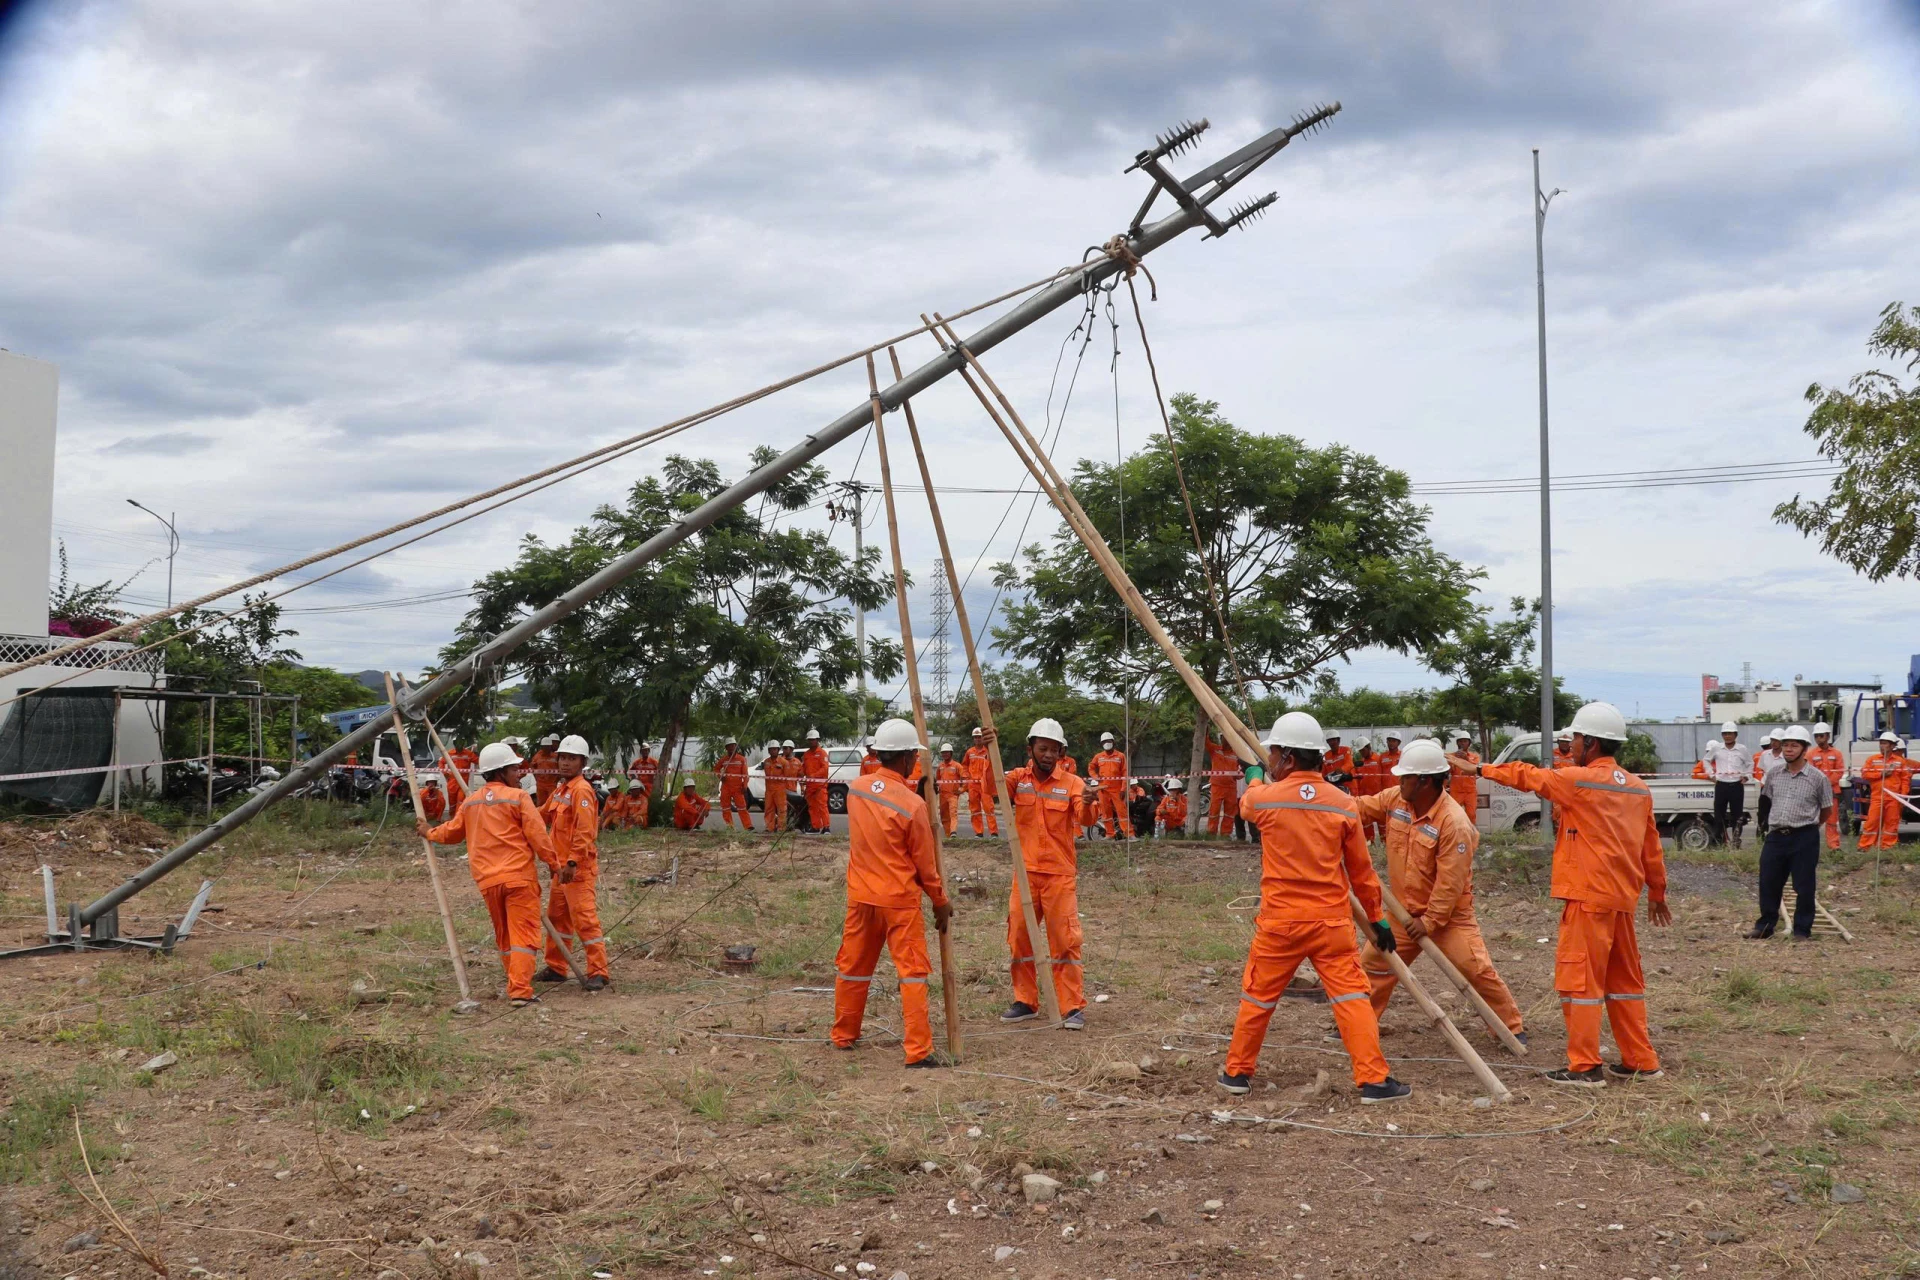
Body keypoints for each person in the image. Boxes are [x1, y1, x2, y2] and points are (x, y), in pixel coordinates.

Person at [1458, 700, 1670, 1086]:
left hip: (1588, 898)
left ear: (1590, 742)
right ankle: (1641, 1060)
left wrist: (1480, 768)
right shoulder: (1638, 789)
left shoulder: (1578, 780)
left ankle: (1585, 1067)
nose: (1570, 744)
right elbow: (1650, 845)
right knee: (1624, 983)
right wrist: (1656, 891)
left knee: (1581, 983)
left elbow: (1527, 776)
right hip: (1622, 900)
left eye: (1574, 738)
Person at [1220, 711, 1409, 1103]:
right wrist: (1378, 920)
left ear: (1288, 757)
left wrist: (1254, 772)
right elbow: (1362, 872)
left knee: (1258, 996)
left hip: (1280, 922)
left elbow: (1247, 802)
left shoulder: (1266, 799)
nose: (1271, 760)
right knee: (1352, 997)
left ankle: (1236, 1074)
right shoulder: (1343, 805)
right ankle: (1374, 1080)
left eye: (1274, 754)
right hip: (1331, 923)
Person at [1355, 739, 1524, 1040]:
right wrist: (1323, 807)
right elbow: (1358, 809)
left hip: (1448, 919)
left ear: (1425, 782)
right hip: (1401, 913)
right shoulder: (1395, 800)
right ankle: (1358, 1026)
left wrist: (1429, 922)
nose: (1399, 781)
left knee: (1475, 969)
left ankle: (1510, 1029)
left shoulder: (1453, 822)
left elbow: (1450, 883)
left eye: (1405, 776)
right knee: (1373, 965)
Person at [832, 718, 953, 1067]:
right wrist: (941, 902)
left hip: (861, 898)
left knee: (853, 968)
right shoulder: (913, 806)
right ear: (905, 758)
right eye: (914, 755)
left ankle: (844, 1035)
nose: (916, 760)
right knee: (912, 974)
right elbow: (925, 866)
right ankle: (918, 1051)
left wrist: (912, 790)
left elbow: (880, 807)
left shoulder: (856, 789)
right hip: (899, 902)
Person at [419, 741, 562, 1008]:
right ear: (501, 772)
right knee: (524, 935)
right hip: (518, 878)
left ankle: (514, 981)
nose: (518, 774)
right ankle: (520, 990)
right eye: (514, 770)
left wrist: (429, 832)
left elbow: (451, 832)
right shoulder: (518, 798)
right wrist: (554, 865)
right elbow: (538, 836)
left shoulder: (471, 802)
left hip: (488, 881)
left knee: (506, 937)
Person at [987, 718, 1087, 1030]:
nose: (1047, 754)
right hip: (1025, 873)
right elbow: (992, 789)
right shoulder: (1018, 779)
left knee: (1065, 941)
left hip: (1059, 875)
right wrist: (991, 751)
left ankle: (1070, 1006)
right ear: (1031, 749)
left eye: (1053, 750)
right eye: (1042, 748)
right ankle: (1025, 1001)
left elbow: (1084, 815)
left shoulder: (1074, 784)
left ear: (1062, 753)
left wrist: (1092, 803)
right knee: (1019, 938)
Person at [1747, 725, 1834, 941]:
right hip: (1776, 836)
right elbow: (1767, 800)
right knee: (1768, 881)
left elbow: (1826, 809)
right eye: (1785, 745)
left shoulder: (1818, 778)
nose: (1788, 749)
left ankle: (1802, 930)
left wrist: (1811, 827)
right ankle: (1765, 926)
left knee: (1804, 885)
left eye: (1794, 745)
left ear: (1805, 749)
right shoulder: (1774, 774)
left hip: (1804, 837)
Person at [537, 735, 610, 990]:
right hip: (560, 870)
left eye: (572, 758)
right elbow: (541, 815)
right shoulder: (560, 789)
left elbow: (585, 832)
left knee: (585, 920)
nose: (566, 763)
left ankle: (598, 972)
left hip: (575, 871)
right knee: (557, 919)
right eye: (563, 758)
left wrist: (572, 862)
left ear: (582, 762)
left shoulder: (581, 791)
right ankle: (557, 967)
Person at [1857, 730, 1912, 852]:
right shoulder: (1873, 759)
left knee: (1891, 824)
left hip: (1894, 798)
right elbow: (1865, 774)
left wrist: (1902, 795)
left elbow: (1905, 779)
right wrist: (1881, 774)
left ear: (1893, 746)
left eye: (1885, 743)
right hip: (1877, 797)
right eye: (1881, 743)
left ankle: (1887, 847)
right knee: (1872, 822)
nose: (1882, 746)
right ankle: (1864, 846)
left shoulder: (1900, 761)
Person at [1701, 722, 1754, 849]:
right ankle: (1718, 842)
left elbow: (1750, 763)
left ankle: (1736, 841)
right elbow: (1706, 760)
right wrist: (1711, 775)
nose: (1727, 736)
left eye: (1730, 733)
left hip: (1736, 786)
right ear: (1722, 735)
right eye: (1725, 734)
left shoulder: (1742, 749)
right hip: (1721, 785)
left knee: (1737, 815)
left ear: (1735, 735)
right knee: (1719, 815)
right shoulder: (1717, 748)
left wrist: (1746, 776)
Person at [1808, 726, 1847, 851]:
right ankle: (1809, 847)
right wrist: (1821, 785)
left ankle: (1834, 847)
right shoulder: (1811, 754)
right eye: (1816, 736)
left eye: (1821, 735)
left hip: (1831, 792)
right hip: (1815, 793)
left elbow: (1840, 770)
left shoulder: (1836, 753)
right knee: (1812, 821)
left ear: (1828, 736)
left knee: (1831, 821)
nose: (1818, 738)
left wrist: (1827, 783)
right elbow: (1809, 772)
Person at [1090, 732, 1132, 839]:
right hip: (1103, 790)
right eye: (1104, 742)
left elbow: (1125, 773)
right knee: (1105, 813)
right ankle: (1110, 834)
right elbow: (1091, 767)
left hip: (1117, 789)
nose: (1106, 743)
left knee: (1122, 812)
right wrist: (1096, 776)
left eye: (1108, 741)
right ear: (1101, 743)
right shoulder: (1098, 757)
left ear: (1113, 742)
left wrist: (1123, 789)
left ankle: (1129, 834)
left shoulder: (1120, 756)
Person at [962, 727, 999, 837]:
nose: (978, 739)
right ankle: (978, 832)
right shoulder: (970, 752)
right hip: (973, 784)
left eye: (979, 737)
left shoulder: (988, 751)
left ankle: (993, 832)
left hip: (985, 784)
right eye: (976, 737)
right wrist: (966, 777)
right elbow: (964, 765)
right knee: (975, 809)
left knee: (989, 808)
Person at [1205, 732, 1240, 836]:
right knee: (1214, 810)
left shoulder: (1236, 754)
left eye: (1226, 738)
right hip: (1217, 786)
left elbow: (1240, 769)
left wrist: (1239, 774)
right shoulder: (1215, 750)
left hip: (1231, 787)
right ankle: (1211, 833)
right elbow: (1206, 742)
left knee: (1230, 812)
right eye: (1222, 738)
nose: (1224, 741)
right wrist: (1206, 731)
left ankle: (1226, 834)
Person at [717, 739, 753, 831]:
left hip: (738, 787)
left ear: (736, 746)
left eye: (733, 746)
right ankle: (730, 827)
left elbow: (745, 775)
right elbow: (716, 769)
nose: (731, 748)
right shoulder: (724, 760)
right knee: (726, 808)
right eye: (729, 746)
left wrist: (745, 786)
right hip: (726, 787)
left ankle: (748, 826)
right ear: (726, 748)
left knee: (742, 807)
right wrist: (720, 776)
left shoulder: (741, 759)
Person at [801, 729, 832, 834]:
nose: (811, 742)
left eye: (813, 740)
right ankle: (816, 827)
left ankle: (826, 827)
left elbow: (825, 768)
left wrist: (814, 776)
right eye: (810, 740)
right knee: (812, 807)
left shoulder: (822, 753)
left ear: (817, 740)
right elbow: (803, 768)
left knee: (822, 806)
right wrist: (799, 774)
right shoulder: (806, 755)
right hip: (810, 786)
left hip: (820, 785)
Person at [933, 744, 966, 837]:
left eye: (947, 752)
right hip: (943, 795)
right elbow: (938, 780)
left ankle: (953, 832)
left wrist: (962, 789)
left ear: (951, 753)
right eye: (943, 753)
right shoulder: (940, 767)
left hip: (953, 795)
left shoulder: (957, 766)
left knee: (953, 814)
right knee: (944, 817)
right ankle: (948, 835)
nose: (945, 754)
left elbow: (965, 778)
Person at [626, 743, 659, 827]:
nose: (645, 752)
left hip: (650, 788)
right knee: (637, 803)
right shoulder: (637, 763)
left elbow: (660, 773)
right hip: (639, 788)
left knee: (649, 804)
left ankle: (648, 821)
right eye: (643, 751)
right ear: (641, 752)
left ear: (649, 751)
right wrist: (634, 781)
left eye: (646, 750)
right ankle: (634, 821)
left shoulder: (654, 762)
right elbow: (630, 772)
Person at [761, 739, 791, 834]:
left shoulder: (784, 762)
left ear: (778, 750)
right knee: (769, 809)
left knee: (782, 809)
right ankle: (770, 827)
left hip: (780, 790)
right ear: (769, 751)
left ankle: (781, 828)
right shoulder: (766, 762)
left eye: (775, 749)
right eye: (771, 749)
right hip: (769, 790)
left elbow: (787, 777)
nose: (773, 751)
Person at [1448, 730, 1480, 817]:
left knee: (1471, 814)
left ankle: (1471, 830)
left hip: (1470, 791)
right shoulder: (1451, 756)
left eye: (1465, 741)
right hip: (1456, 791)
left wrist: (1466, 758)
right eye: (1460, 741)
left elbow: (1476, 768)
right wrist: (1453, 761)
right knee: (1454, 815)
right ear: (1457, 743)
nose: (1462, 743)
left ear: (1469, 743)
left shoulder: (1474, 756)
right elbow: (1447, 771)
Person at [529, 735, 563, 805]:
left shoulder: (555, 756)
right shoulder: (537, 756)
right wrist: (536, 778)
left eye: (547, 746)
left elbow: (560, 769)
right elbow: (532, 767)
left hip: (551, 784)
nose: (546, 749)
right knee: (541, 803)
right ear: (542, 747)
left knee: (552, 803)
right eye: (544, 747)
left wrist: (557, 779)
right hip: (540, 785)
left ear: (550, 746)